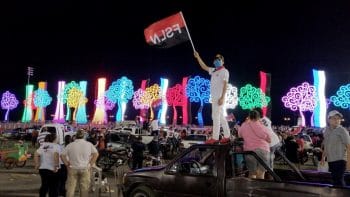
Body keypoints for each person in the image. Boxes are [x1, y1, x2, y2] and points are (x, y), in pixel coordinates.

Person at [194, 51, 230, 144]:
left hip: (218, 97)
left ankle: (215, 138)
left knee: (216, 116)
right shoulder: (214, 70)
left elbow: (226, 85)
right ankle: (227, 136)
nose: (217, 61)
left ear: (223, 61)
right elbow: (204, 67)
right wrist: (198, 57)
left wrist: (222, 97)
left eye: (219, 59)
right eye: (216, 59)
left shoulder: (224, 71)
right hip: (214, 97)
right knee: (221, 117)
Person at [61, 129, 99, 197]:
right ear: (84, 136)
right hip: (85, 168)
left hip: (73, 168)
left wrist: (67, 164)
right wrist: (90, 164)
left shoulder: (70, 145)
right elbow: (96, 154)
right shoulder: (89, 144)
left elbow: (62, 155)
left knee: (70, 188)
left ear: (75, 136)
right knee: (84, 189)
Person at [238, 110, 271, 179]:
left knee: (252, 173)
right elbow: (269, 139)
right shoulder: (261, 125)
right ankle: (259, 189)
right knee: (261, 173)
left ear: (249, 116)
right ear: (258, 117)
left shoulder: (244, 125)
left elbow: (240, 135)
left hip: (249, 151)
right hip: (262, 150)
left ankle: (251, 189)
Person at [321, 110, 350, 187]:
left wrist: (348, 162)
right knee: (334, 179)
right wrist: (323, 158)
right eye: (334, 118)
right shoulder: (327, 130)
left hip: (340, 160)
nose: (337, 120)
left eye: (338, 119)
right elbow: (326, 145)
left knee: (338, 180)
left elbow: (348, 146)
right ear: (329, 119)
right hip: (331, 160)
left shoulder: (342, 131)